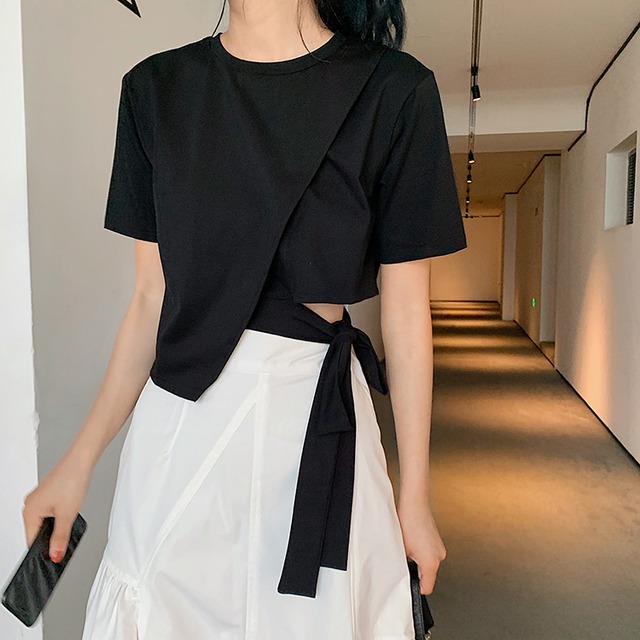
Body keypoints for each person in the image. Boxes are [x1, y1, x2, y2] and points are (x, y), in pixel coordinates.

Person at [21, 0, 467, 637]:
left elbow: (405, 310)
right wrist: (79, 463)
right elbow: (151, 299)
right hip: (182, 432)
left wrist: (415, 495)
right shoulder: (154, 90)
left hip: (316, 422)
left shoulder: (394, 89)